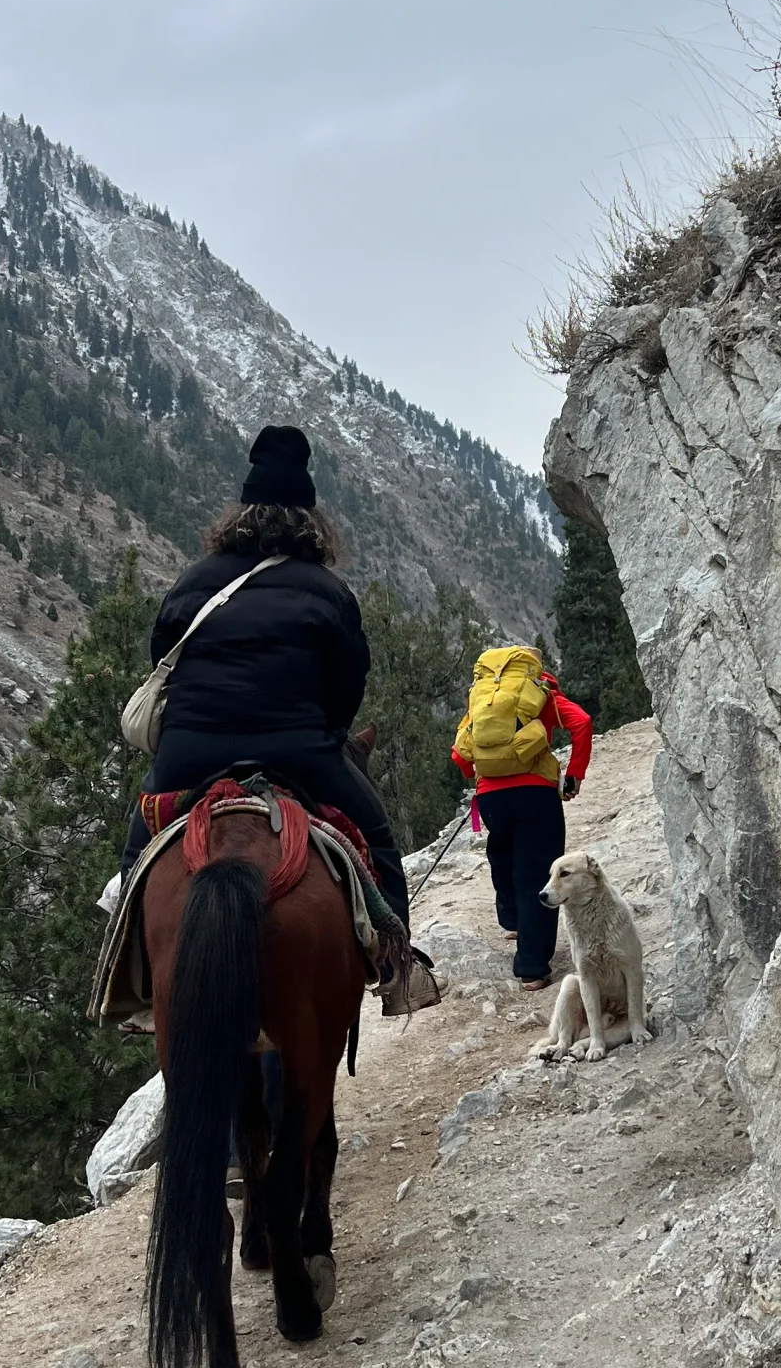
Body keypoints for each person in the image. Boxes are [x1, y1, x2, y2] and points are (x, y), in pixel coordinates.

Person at [119, 425, 409, 927]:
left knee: (136, 847)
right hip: (297, 751)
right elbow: (347, 687)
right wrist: (326, 731)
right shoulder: (327, 591)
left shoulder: (191, 582)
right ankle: (399, 963)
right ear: (311, 523)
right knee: (377, 835)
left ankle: (119, 973)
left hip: (191, 750)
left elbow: (161, 662)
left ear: (239, 516)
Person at [450, 648, 592, 992]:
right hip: (536, 794)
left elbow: (460, 753)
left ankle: (513, 920)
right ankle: (531, 967)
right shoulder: (540, 693)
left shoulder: (482, 700)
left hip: (490, 797)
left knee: (503, 856)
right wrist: (573, 774)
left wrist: (480, 774)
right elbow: (582, 723)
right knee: (536, 873)